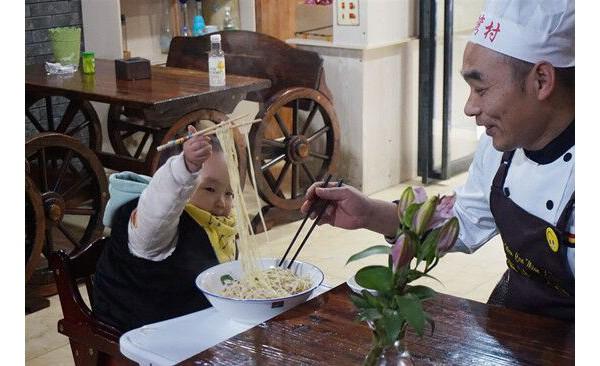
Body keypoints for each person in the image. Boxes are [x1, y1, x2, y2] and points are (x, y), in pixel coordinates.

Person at [302, 0, 574, 321]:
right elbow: (462, 223)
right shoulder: (501, 147)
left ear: (541, 80)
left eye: (481, 89)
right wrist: (368, 213)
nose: (469, 108)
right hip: (516, 322)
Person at [93, 125, 237, 332]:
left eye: (229, 193)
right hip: (140, 333)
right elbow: (160, 207)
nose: (221, 203)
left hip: (193, 322)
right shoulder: (154, 224)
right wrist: (185, 169)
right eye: (210, 189)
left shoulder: (214, 225)